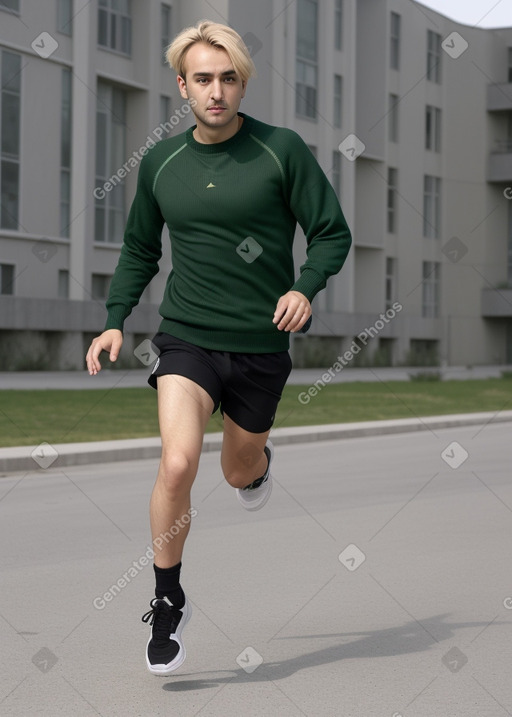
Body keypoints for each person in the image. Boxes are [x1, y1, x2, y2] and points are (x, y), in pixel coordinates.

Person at [85, 19, 352, 676]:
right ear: (182, 84)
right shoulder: (161, 162)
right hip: (188, 337)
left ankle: (256, 465)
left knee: (236, 470)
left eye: (228, 77)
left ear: (242, 83)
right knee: (177, 464)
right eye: (202, 78)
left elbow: (331, 233)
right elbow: (141, 249)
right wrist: (116, 317)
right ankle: (167, 599)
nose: (216, 90)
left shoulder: (280, 150)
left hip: (261, 345)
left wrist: (306, 287)